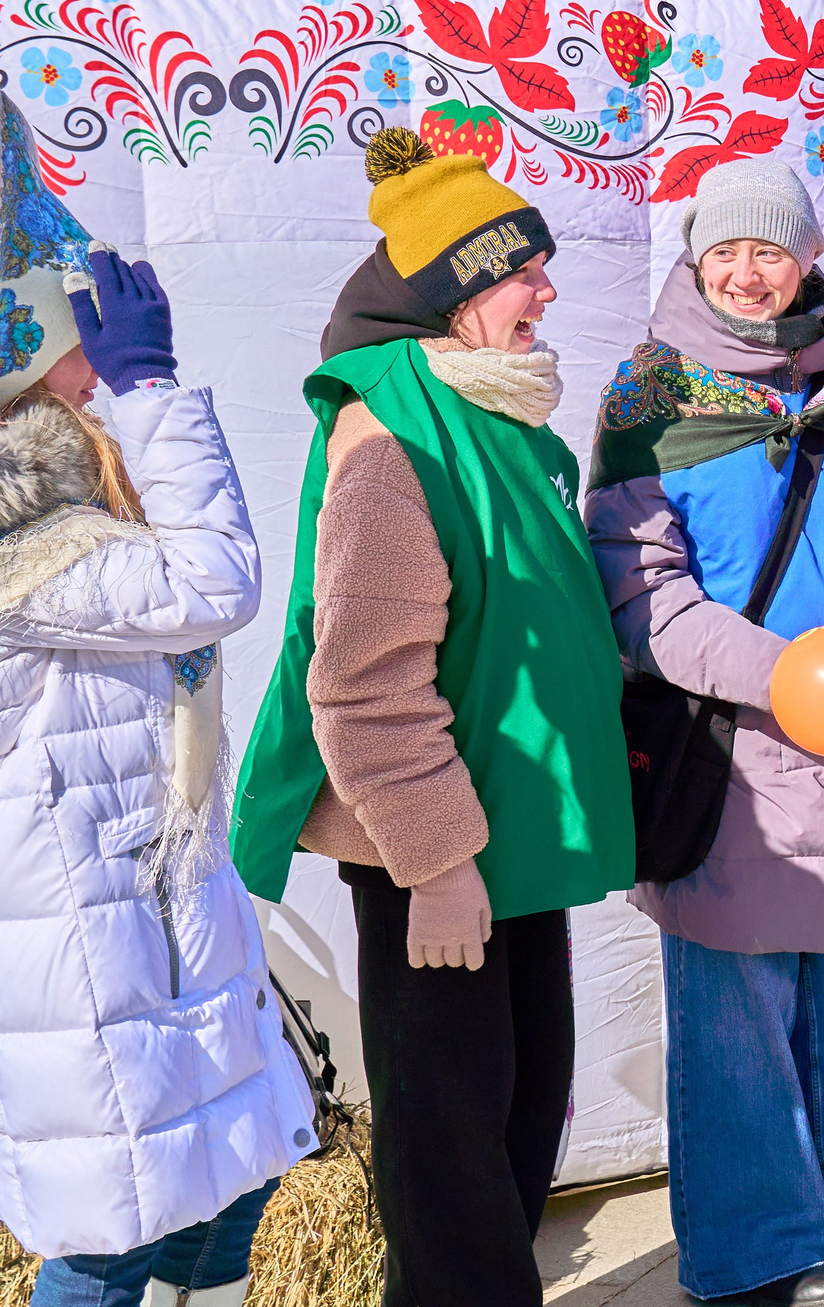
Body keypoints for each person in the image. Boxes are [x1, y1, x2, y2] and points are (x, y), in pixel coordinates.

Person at [232, 126, 635, 1307]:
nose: (547, 289)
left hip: (505, 838)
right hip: (438, 855)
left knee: (511, 1119)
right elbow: (363, 687)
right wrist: (440, 864)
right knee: (450, 1152)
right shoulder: (391, 439)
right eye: (522, 271)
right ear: (456, 293)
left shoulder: (487, 411)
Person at [584, 159, 824, 1303]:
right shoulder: (649, 396)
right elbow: (642, 594)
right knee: (738, 1018)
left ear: (806, 256)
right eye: (725, 254)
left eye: (770, 251)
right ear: (695, 262)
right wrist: (790, 676)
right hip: (734, 755)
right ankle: (758, 1249)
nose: (749, 275)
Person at [0, 98, 313, 1307]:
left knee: (237, 1172)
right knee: (114, 1226)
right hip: (74, 926)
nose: (101, 351)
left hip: (142, 891)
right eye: (76, 331)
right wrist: (157, 392)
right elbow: (213, 584)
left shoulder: (62, 492)